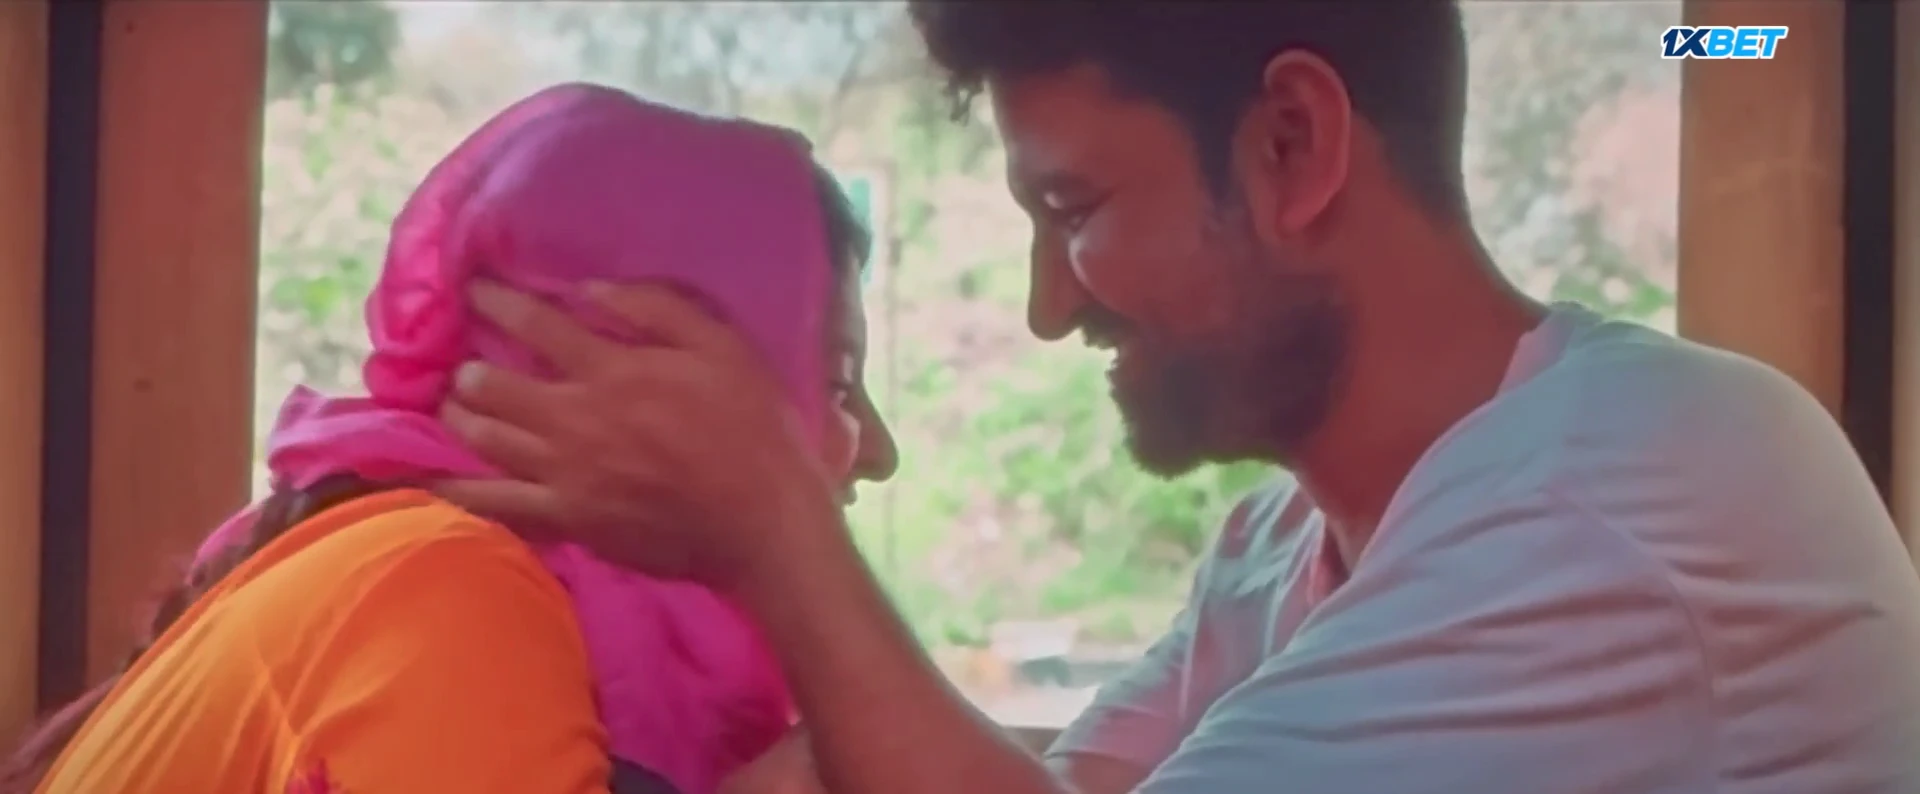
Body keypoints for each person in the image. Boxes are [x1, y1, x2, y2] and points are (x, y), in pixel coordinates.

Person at [435, 2, 1920, 793]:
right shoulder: (1271, 554)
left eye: (1072, 208)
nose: (1048, 304)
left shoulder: (1629, 487)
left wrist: (775, 538)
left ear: (1292, 144)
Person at [4, 83, 895, 794]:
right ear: (629, 384)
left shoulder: (427, 569)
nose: (880, 453)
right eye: (836, 382)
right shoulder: (450, 593)